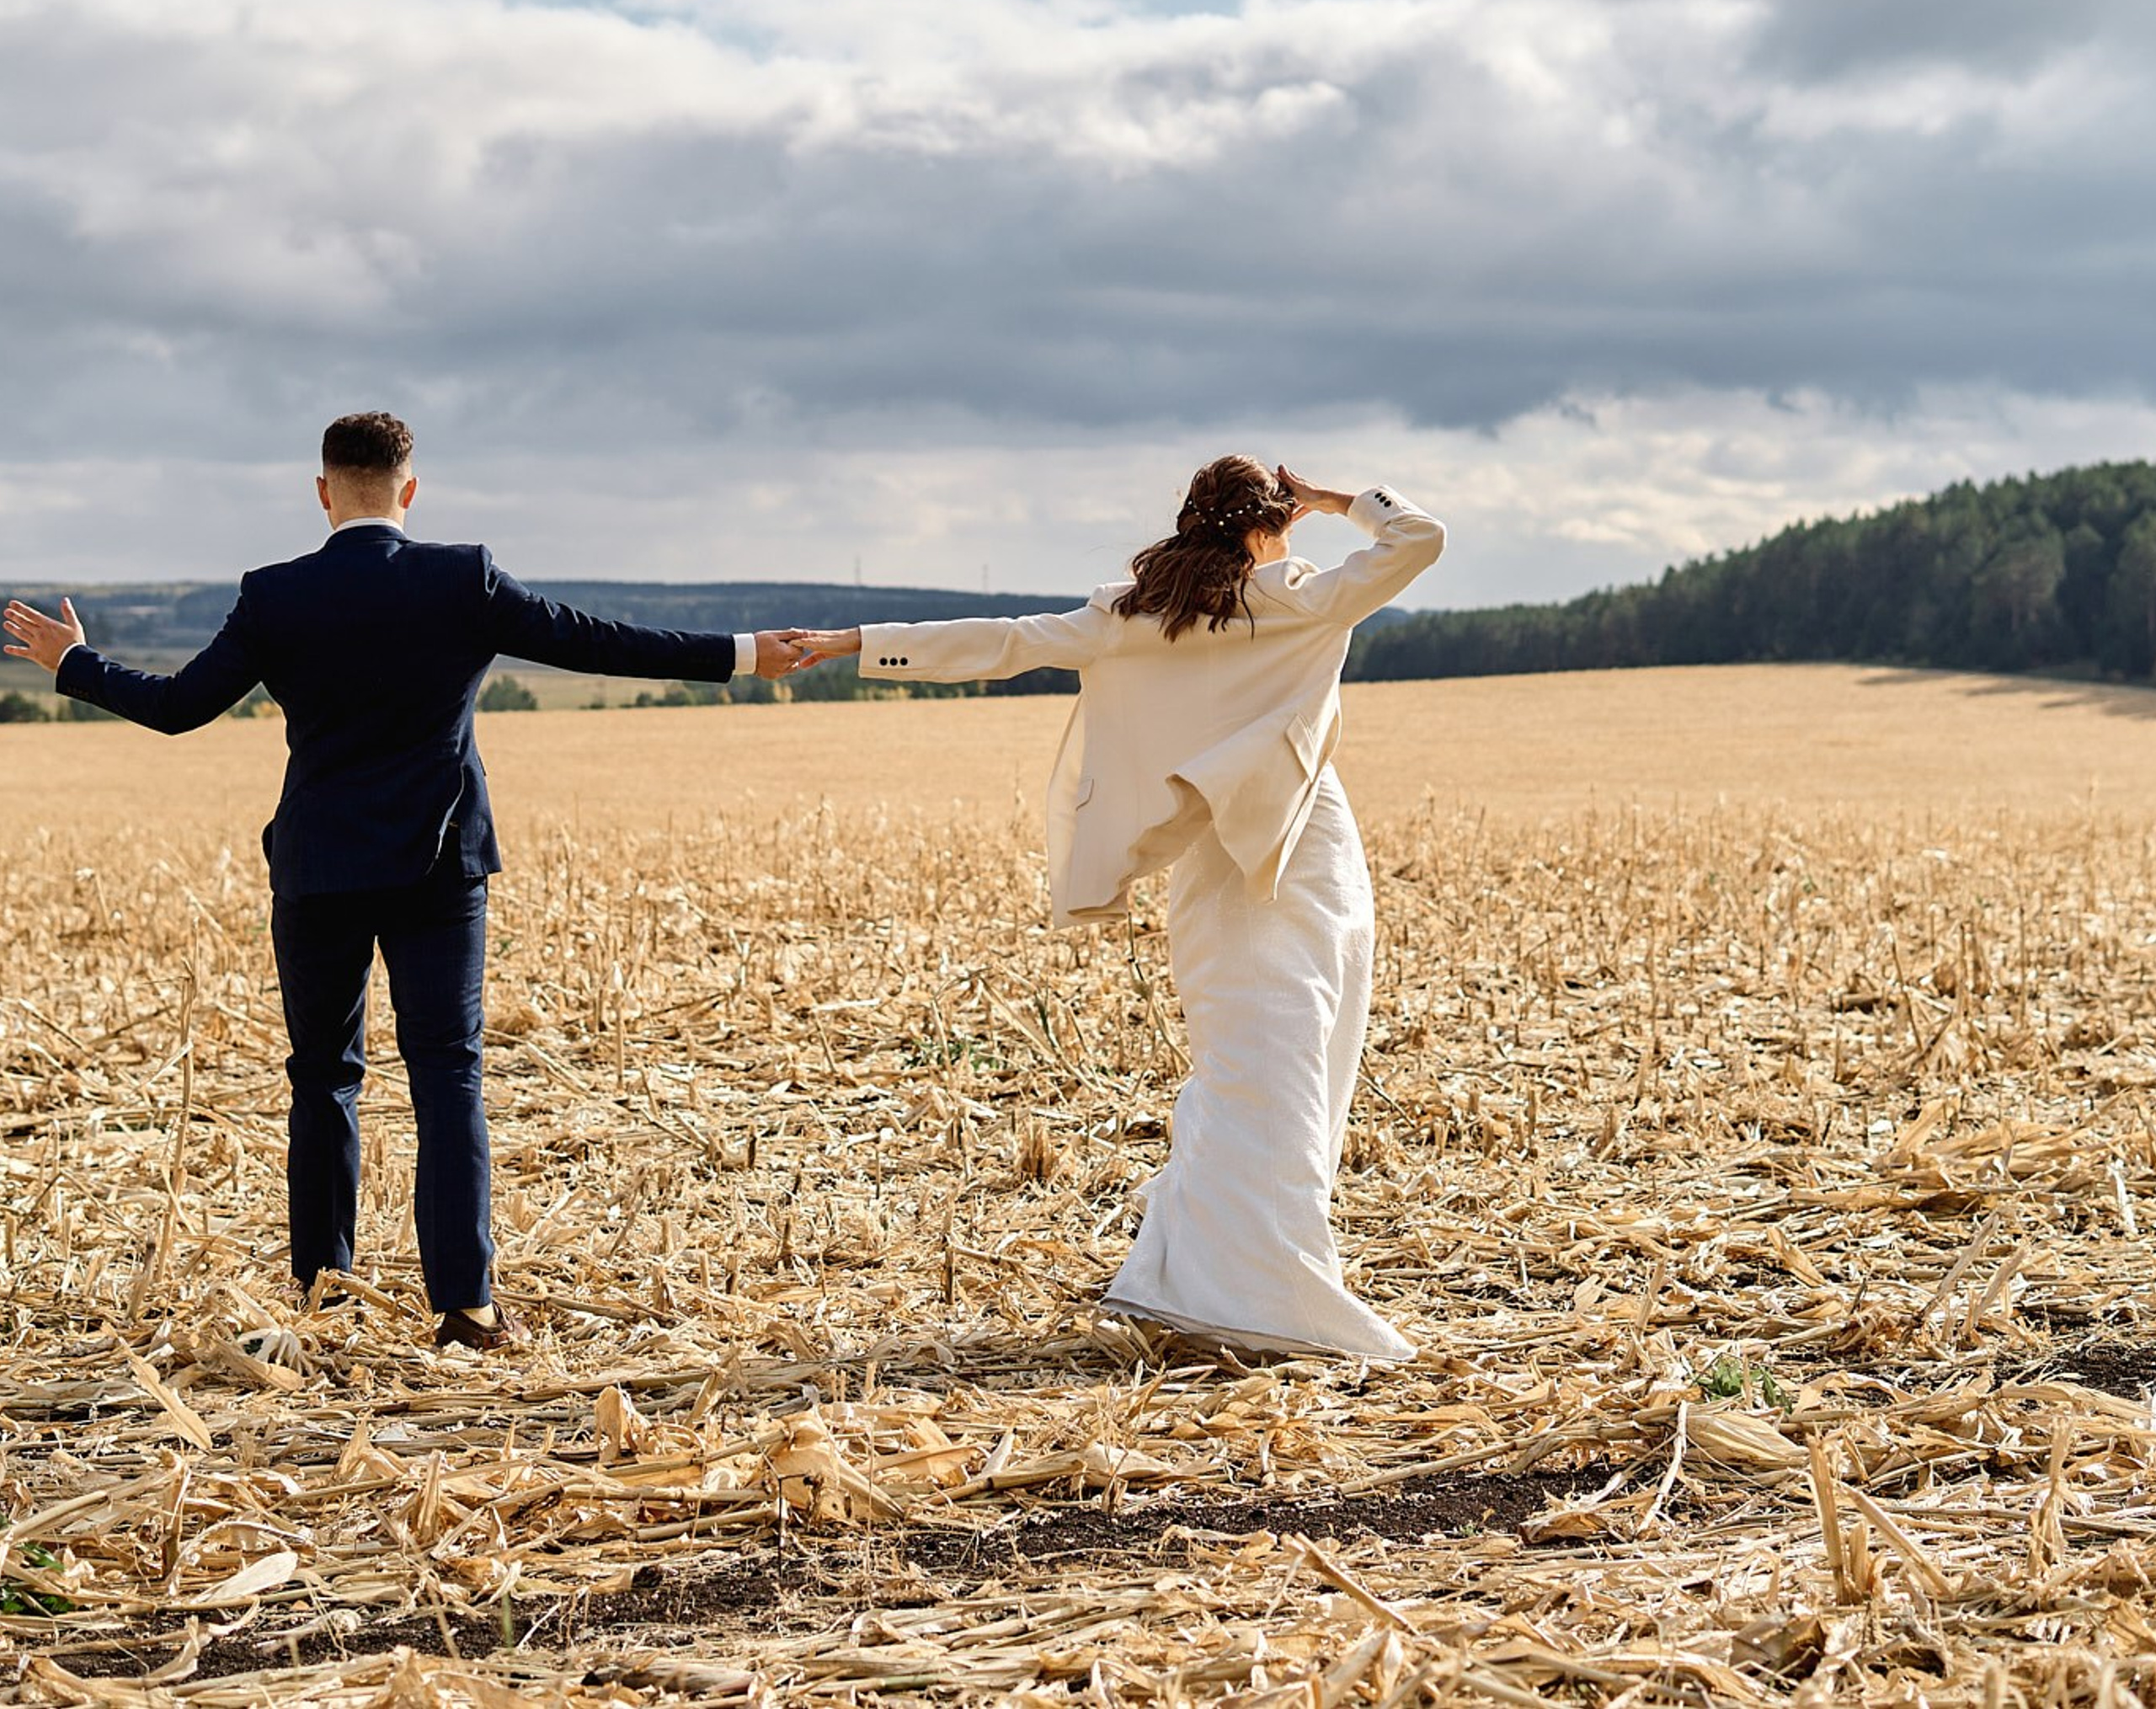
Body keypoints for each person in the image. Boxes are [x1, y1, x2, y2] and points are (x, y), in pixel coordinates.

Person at [3, 411, 812, 1351]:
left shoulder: (274, 596)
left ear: (322, 492)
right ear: (410, 489)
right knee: (447, 1076)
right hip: (439, 869)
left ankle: (323, 1295)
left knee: (321, 1078)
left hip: (319, 870)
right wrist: (745, 653)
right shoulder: (459, 578)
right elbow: (599, 641)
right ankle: (466, 1308)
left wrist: (76, 664)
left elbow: (180, 705)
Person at [797, 457, 1444, 1359]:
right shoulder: (1301, 601)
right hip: (1304, 845)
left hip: (1217, 862)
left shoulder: (1131, 617)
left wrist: (856, 642)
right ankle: (1258, 1292)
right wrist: (1342, 501)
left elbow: (1000, 640)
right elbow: (1420, 538)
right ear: (1272, 524)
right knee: (1294, 1061)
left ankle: (1200, 1278)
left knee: (1252, 1062)